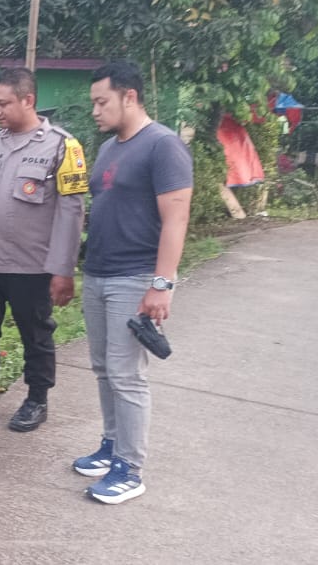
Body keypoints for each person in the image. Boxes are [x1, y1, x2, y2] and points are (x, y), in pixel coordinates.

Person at [73, 62, 192, 504]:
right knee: (104, 369)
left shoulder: (163, 146)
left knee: (127, 376)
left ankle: (130, 468)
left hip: (135, 275)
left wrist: (162, 284)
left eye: (102, 102)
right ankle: (111, 445)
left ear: (130, 97)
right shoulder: (108, 150)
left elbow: (176, 218)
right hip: (100, 273)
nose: (96, 111)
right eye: (93, 103)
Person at [0, 68, 87, 433]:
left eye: (3, 103)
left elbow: (71, 212)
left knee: (35, 333)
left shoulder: (63, 147)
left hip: (32, 264)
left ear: (28, 100)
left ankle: (37, 398)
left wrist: (62, 270)